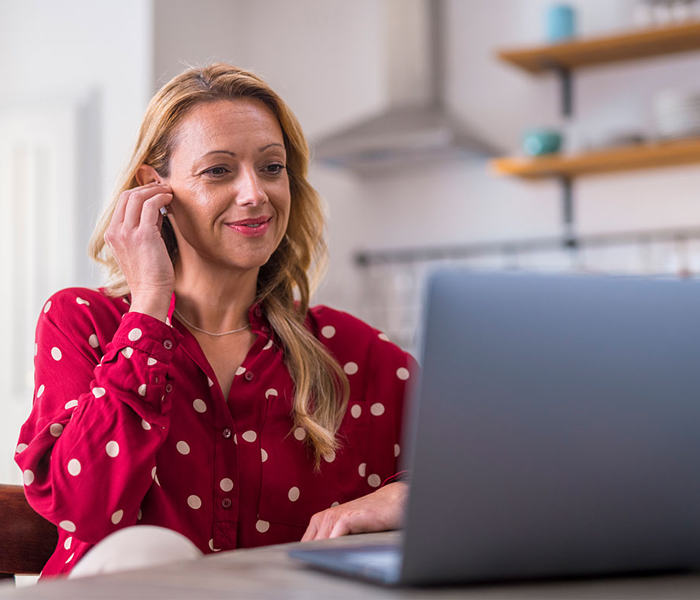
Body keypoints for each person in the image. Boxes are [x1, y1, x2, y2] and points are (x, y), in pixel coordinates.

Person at [15, 63, 416, 578]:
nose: (255, 194)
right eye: (218, 170)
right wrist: (150, 305)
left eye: (272, 167)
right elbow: (83, 507)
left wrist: (409, 496)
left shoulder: (353, 353)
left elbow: (495, 472)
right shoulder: (83, 322)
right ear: (154, 189)